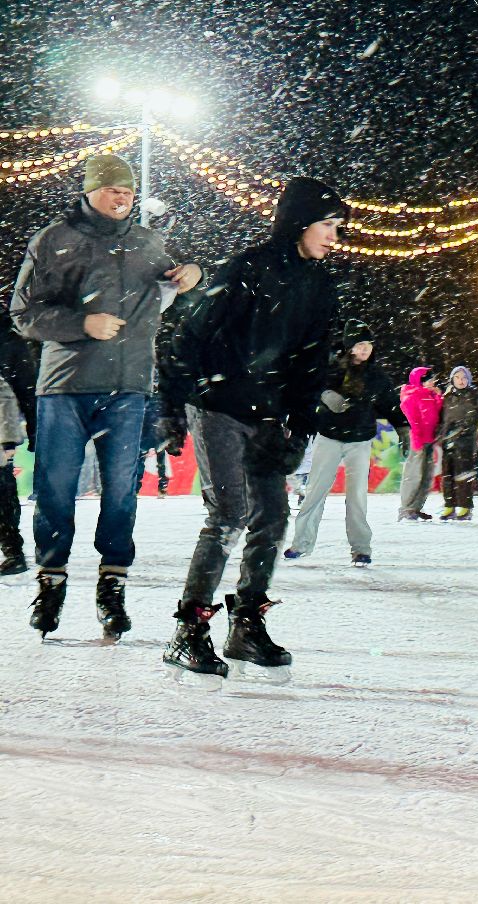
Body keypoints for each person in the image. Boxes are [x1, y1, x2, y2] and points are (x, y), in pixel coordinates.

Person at [159, 177, 346, 681]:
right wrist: (172, 406)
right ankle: (189, 629)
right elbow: (191, 333)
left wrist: (298, 426)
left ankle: (246, 623)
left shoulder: (320, 286)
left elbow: (311, 362)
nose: (334, 236)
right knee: (229, 514)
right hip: (217, 405)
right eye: (327, 225)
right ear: (299, 223)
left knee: (272, 517)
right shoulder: (248, 268)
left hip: (266, 416)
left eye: (337, 227)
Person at [9, 154, 202, 638]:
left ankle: (112, 586)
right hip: (65, 386)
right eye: (114, 189)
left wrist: (192, 274)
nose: (123, 198)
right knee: (55, 490)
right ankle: (50, 581)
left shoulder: (147, 243)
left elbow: (175, 283)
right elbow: (23, 313)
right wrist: (82, 323)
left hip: (129, 387)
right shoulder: (54, 239)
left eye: (129, 192)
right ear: (91, 190)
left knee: (120, 492)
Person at [284, 320, 404, 564]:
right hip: (329, 437)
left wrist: (404, 428)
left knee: (357, 496)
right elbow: (310, 387)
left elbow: (390, 404)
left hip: (360, 440)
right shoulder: (331, 368)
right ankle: (301, 543)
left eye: (368, 344)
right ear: (349, 346)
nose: (365, 349)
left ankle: (361, 548)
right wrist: (326, 395)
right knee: (315, 491)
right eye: (359, 344)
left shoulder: (376, 376)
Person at [0, 320, 37, 577]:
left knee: (2, 490)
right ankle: (13, 551)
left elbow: (25, 388)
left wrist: (34, 430)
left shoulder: (9, 338)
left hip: (2, 424)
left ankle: (13, 551)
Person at [398, 367, 444, 521]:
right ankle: (406, 507)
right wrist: (417, 439)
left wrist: (438, 397)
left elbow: (435, 413)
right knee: (414, 474)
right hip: (418, 440)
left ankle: (416, 507)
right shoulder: (411, 395)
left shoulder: (429, 394)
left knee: (426, 475)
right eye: (428, 380)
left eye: (432, 380)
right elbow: (413, 420)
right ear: (419, 381)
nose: (432, 383)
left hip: (430, 439)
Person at [439, 366, 478, 519]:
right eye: (457, 377)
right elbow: (443, 418)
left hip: (464, 441)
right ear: (452, 379)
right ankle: (449, 505)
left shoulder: (472, 395)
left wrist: (459, 430)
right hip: (447, 440)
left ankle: (465, 506)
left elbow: (472, 418)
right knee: (447, 474)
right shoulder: (448, 396)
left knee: (463, 475)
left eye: (464, 378)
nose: (461, 380)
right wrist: (443, 433)